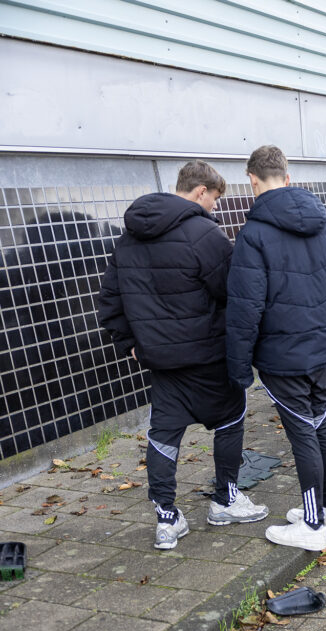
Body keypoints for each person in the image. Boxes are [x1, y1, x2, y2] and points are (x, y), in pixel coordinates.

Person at [97, 161, 268, 550]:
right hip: (209, 357)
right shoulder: (203, 233)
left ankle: (167, 519)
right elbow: (231, 292)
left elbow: (110, 302)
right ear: (200, 192)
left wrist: (131, 345)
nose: (215, 208)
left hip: (162, 363)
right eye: (215, 200)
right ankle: (225, 500)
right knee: (230, 422)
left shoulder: (127, 239)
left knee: (163, 437)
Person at [226, 145, 326, 552]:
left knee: (303, 433)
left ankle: (313, 525)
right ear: (287, 176)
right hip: (318, 346)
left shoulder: (253, 233)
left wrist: (238, 367)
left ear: (252, 181)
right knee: (320, 425)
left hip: (281, 357)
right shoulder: (323, 221)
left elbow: (245, 309)